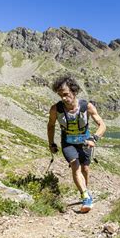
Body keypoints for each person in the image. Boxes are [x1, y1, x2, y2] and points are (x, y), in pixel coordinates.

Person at [47, 74, 106, 213]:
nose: (63, 98)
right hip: (68, 143)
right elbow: (50, 125)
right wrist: (52, 143)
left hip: (85, 142)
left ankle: (86, 190)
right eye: (60, 95)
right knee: (75, 165)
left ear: (74, 91)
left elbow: (102, 125)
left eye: (66, 94)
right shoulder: (56, 109)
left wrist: (94, 139)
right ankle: (85, 197)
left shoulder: (87, 106)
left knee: (85, 169)